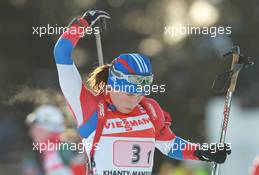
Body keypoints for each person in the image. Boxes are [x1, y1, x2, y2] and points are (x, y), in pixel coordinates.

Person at [53, 10, 231, 175]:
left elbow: (169, 145)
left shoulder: (149, 108)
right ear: (113, 85)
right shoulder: (89, 107)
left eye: (139, 95)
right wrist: (83, 23)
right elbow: (62, 53)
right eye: (130, 94)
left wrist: (202, 152)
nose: (134, 101)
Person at [25, 105, 75, 175]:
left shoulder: (65, 149)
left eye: (35, 128)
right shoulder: (49, 151)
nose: (31, 133)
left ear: (48, 129)